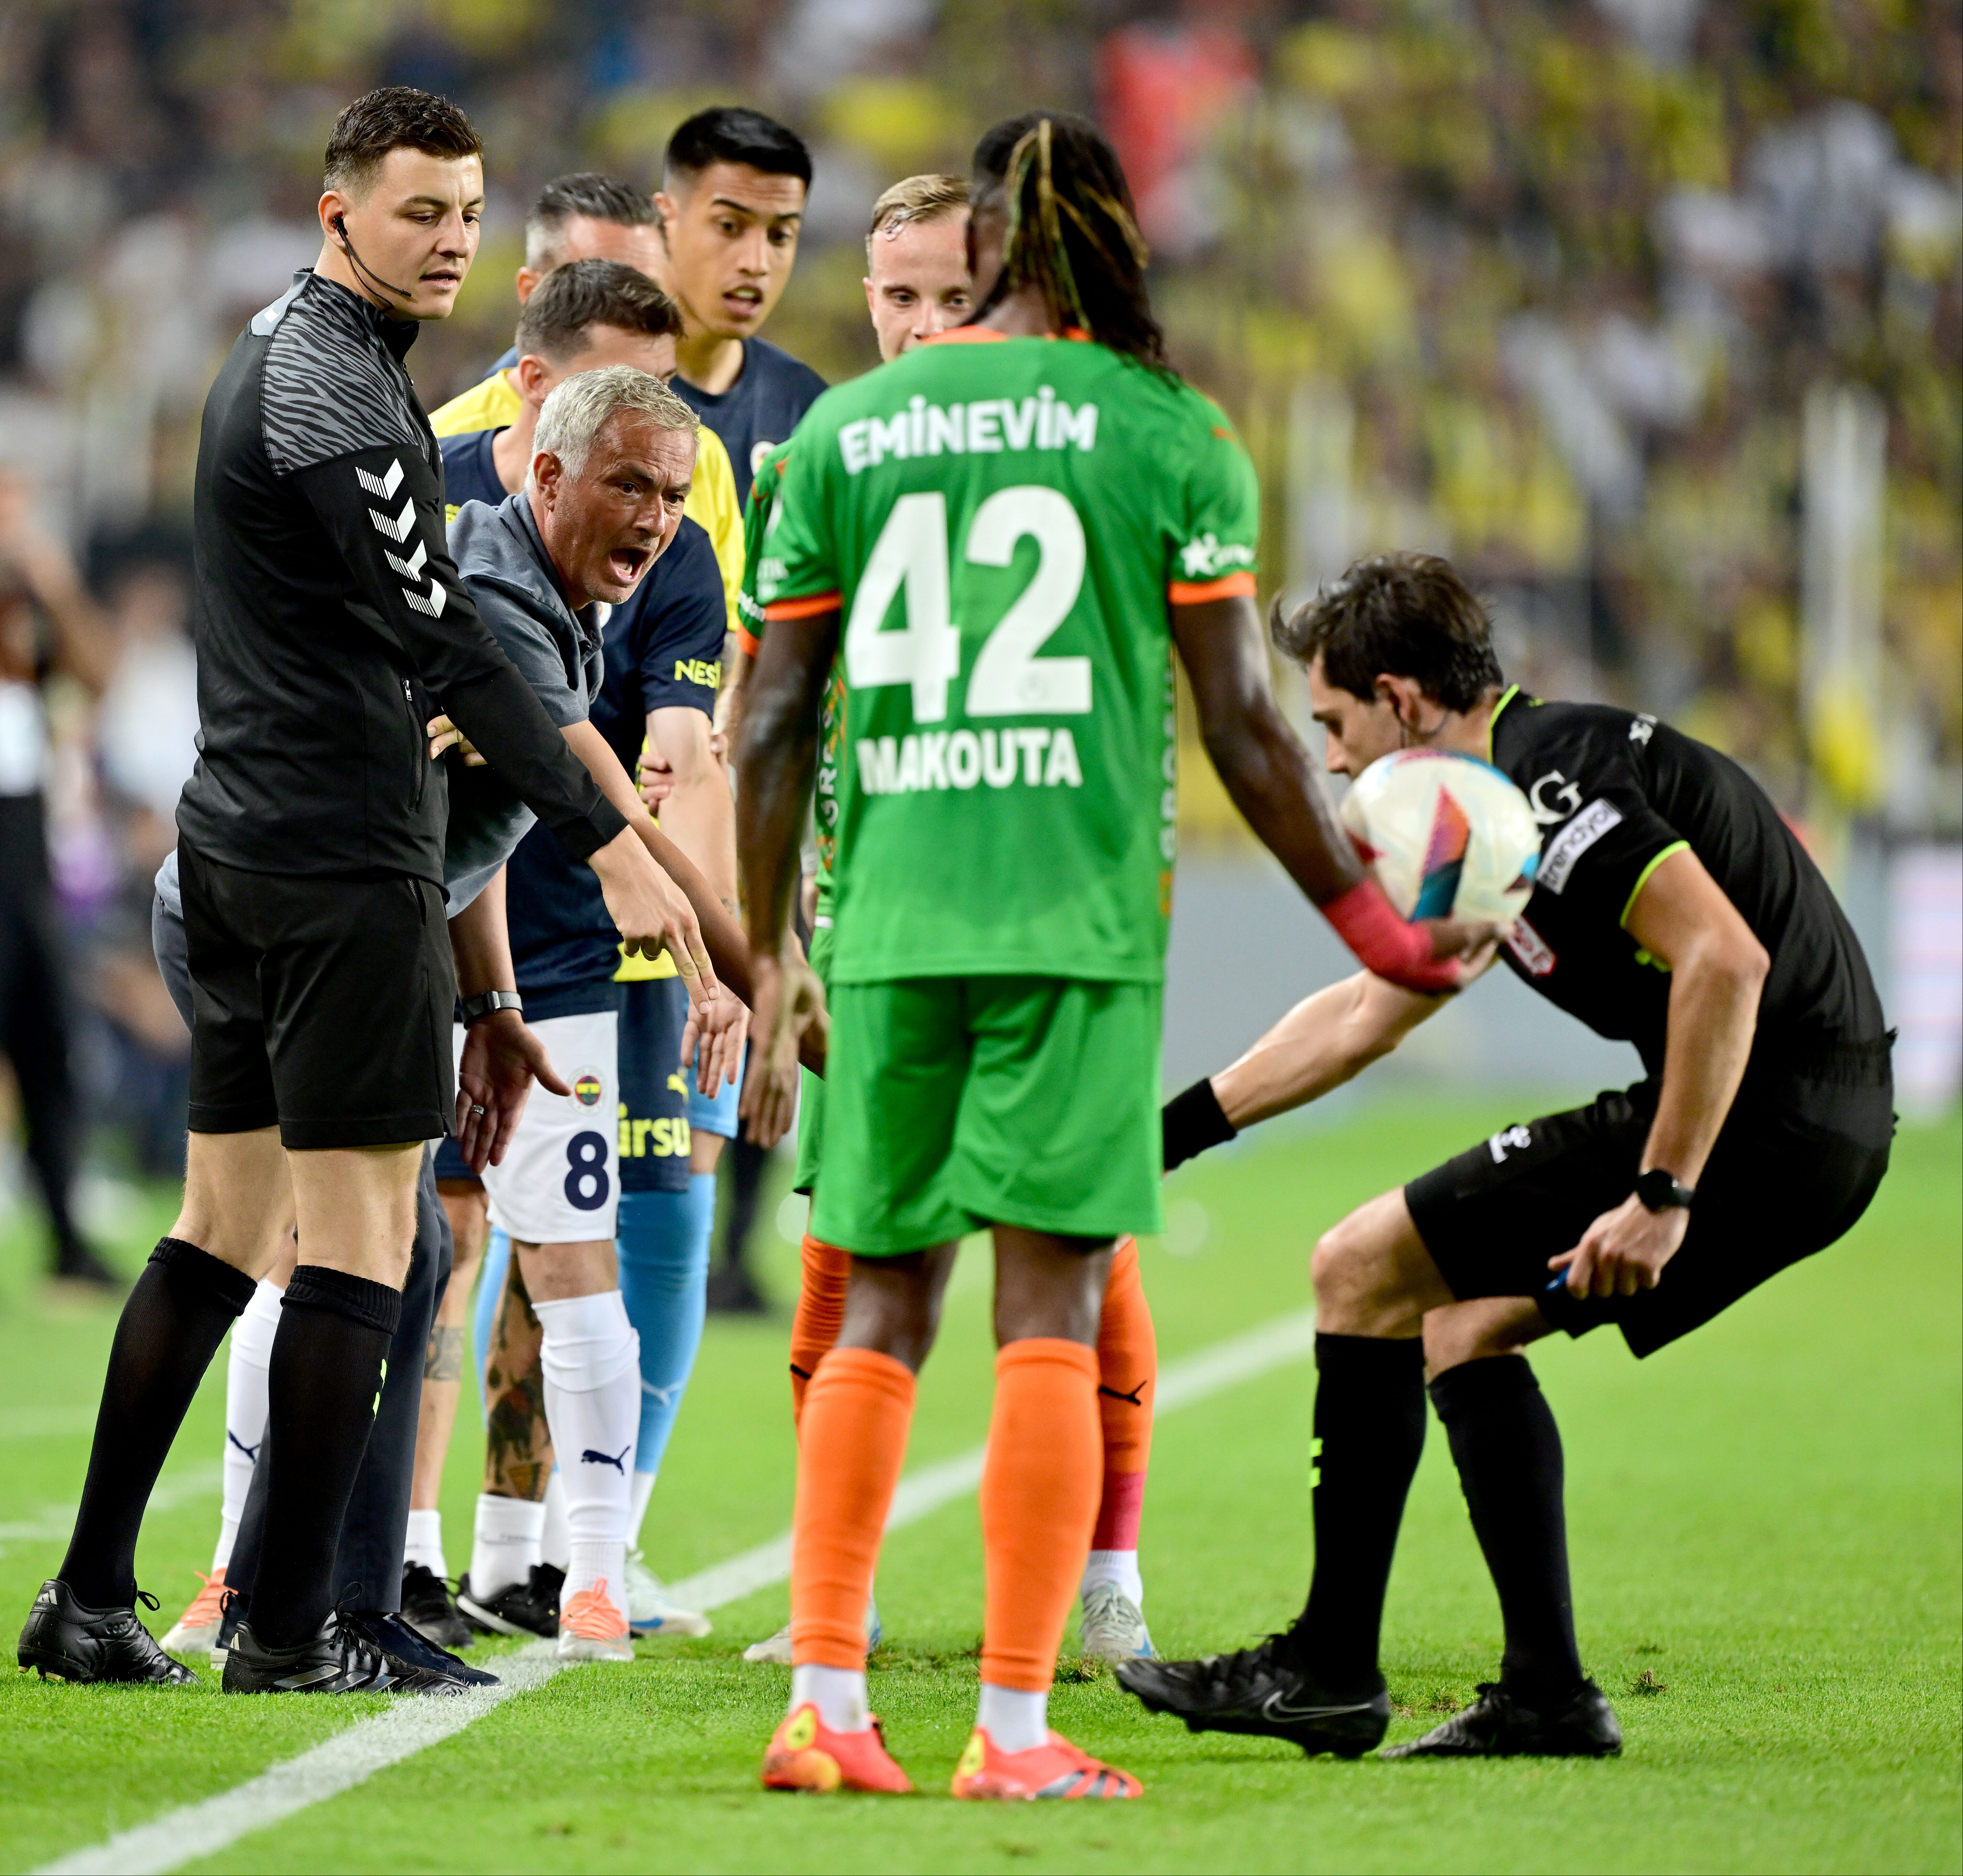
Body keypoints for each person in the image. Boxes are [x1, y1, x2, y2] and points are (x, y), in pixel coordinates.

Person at [735, 113, 1472, 1800]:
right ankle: (1006, 1727)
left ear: (982, 252)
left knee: (881, 1301)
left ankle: (827, 1702)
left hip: (889, 926)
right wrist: (1377, 929)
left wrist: (777, 948)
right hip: (1064, 928)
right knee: (1047, 1304)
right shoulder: (1166, 433)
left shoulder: (845, 433)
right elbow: (1239, 721)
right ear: (1109, 244)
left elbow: (774, 715)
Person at [15, 86, 720, 1697]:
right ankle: (284, 1622)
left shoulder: (307, 364)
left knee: (221, 1227)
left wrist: (482, 987)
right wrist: (602, 829)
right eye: (419, 210)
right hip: (335, 863)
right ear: (337, 213)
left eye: (468, 212)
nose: (452, 239)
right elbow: (440, 631)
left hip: (247, 841)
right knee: (365, 1246)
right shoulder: (324, 383)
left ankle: (90, 1593)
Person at [1122, 551, 1894, 1760]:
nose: (1328, 758)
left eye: (1333, 722)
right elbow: (1369, 1012)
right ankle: (1547, 1696)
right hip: (1806, 1119)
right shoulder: (1486, 812)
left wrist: (1663, 1190)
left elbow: (1726, 963)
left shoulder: (1546, 783)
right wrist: (1165, 1137)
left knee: (1360, 1264)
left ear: (1405, 700)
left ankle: (1328, 1665)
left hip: (1773, 1114)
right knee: (1457, 1324)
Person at [736, 169, 1157, 1673]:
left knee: (1081, 1261)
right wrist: (774, 937)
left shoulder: (1065, 451)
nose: (920, 323)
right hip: (869, 919)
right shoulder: (820, 464)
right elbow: (762, 719)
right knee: (847, 1260)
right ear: (863, 300)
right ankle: (825, 1599)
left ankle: (1102, 1576)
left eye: (946, 293)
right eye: (895, 295)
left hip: (1040, 904)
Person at [423, 257, 738, 1645]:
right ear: (536, 412)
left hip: (530, 945)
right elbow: (583, 773)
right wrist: (731, 953)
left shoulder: (669, 552)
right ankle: (359, 1555)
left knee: (571, 1254)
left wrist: (730, 948)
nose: (657, 514)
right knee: (370, 1249)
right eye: (629, 479)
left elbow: (672, 750)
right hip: (380, 933)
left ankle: (566, 1565)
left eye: (670, 482)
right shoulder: (434, 506)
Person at [648, 106, 829, 1316]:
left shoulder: (809, 411)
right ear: (668, 219)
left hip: (755, 783)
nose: (757, 259)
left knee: (776, 979)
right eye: (730, 226)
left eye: (783, 233)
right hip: (627, 783)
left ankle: (729, 1246)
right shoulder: (607, 384)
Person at [430, 172, 744, 620]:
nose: (622, 303)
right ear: (533, 293)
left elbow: (720, 639)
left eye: (644, 289)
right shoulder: (436, 447)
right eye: (592, 278)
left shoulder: (701, 458)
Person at [0, 475, 120, 1287]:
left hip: (20, 832)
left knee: (45, 1041)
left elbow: (96, 675)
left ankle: (66, 1241)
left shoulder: (27, 602)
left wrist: (53, 579)